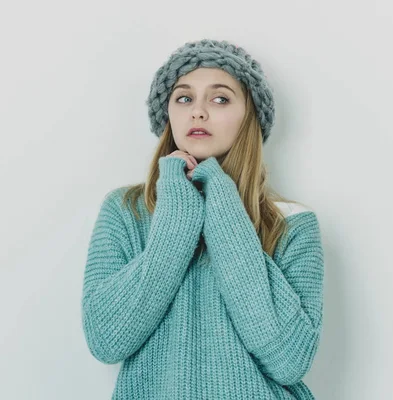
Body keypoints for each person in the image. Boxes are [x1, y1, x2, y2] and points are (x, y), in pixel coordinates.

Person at [81, 38, 325, 399]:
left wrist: (223, 205)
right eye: (183, 98)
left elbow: (289, 360)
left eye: (220, 98)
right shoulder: (126, 210)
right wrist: (177, 218)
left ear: (250, 116)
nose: (198, 111)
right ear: (168, 116)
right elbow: (106, 340)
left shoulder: (293, 224)